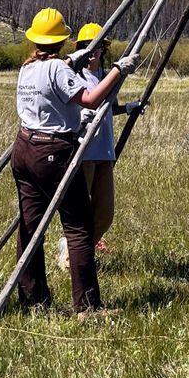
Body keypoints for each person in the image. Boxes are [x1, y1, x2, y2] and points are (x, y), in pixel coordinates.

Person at [11, 8, 136, 317]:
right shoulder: (58, 69)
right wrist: (118, 71)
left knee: (30, 227)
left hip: (24, 147)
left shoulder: (28, 68)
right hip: (53, 151)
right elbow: (91, 100)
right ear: (63, 39)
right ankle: (88, 307)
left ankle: (33, 299)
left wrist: (70, 64)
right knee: (79, 228)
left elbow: (55, 77)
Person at [57, 21, 121, 272]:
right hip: (83, 152)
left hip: (104, 151)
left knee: (104, 214)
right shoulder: (73, 77)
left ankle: (79, 248)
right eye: (88, 47)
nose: (93, 53)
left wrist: (127, 108)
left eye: (98, 48)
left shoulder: (105, 78)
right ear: (81, 50)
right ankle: (73, 255)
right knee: (80, 211)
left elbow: (106, 109)